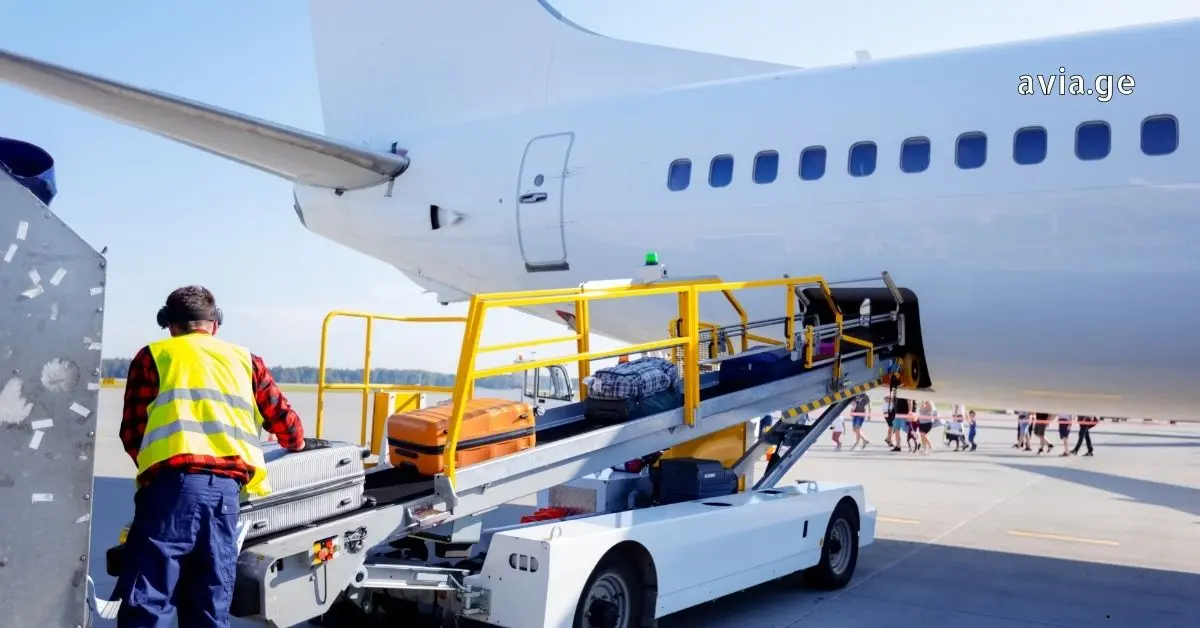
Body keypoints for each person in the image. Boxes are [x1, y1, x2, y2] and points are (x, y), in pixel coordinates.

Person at [115, 286, 327, 627]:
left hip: (170, 492)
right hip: (225, 498)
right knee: (209, 603)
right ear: (215, 323)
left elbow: (132, 432)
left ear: (169, 324)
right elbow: (288, 427)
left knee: (148, 601)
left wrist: (158, 468)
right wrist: (298, 444)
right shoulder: (246, 361)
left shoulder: (154, 355)